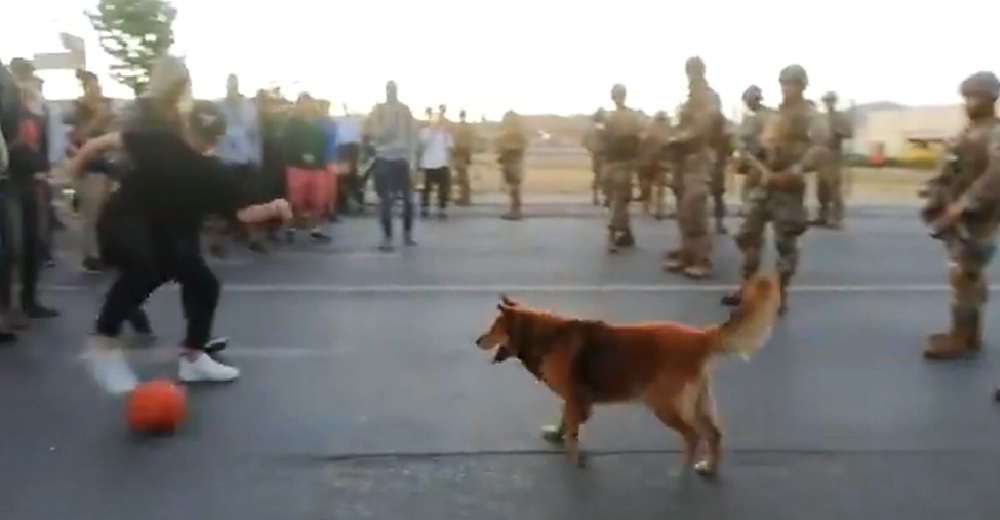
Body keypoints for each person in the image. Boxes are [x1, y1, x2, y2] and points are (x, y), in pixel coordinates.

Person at [64, 101, 292, 394]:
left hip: (164, 231)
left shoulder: (208, 169)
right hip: (125, 219)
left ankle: (194, 356)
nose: (201, 144)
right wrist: (68, 174)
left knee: (201, 281)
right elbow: (98, 144)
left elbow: (241, 214)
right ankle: (103, 340)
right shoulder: (165, 144)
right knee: (145, 269)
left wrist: (273, 206)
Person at [720, 65, 826, 314]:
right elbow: (760, 144)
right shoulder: (774, 116)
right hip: (765, 183)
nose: (786, 88)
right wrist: (749, 156)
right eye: (783, 83)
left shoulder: (811, 115)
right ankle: (746, 287)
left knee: (785, 242)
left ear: (802, 85)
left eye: (791, 83)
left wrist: (796, 171)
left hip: (788, 187)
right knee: (748, 235)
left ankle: (780, 293)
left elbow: (820, 148)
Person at [920, 71, 1000, 361]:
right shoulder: (967, 132)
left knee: (964, 274)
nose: (968, 102)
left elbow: (995, 176)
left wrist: (962, 206)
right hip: (959, 218)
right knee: (964, 273)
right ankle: (969, 334)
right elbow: (951, 169)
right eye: (966, 97)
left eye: (975, 96)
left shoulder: (994, 133)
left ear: (991, 98)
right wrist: (934, 194)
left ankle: (962, 338)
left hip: (979, 218)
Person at [0, 58, 59, 324]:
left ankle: (28, 301)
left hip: (32, 181)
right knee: (12, 248)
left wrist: (45, 170)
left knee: (33, 244)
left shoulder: (35, 107)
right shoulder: (7, 107)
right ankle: (8, 308)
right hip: (10, 181)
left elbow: (42, 142)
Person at [663, 57, 722, 278]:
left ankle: (703, 259)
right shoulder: (690, 98)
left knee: (695, 206)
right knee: (684, 212)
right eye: (689, 70)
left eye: (695, 70)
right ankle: (688, 253)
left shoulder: (707, 97)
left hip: (699, 157)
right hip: (684, 159)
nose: (691, 74)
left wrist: (678, 138)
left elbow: (703, 127)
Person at [67, 70, 116, 272]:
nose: (97, 91)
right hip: (87, 167)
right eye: (93, 88)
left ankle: (104, 251)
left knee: (105, 213)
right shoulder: (77, 111)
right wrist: (97, 119)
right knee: (91, 214)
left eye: (98, 87)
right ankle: (91, 255)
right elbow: (78, 138)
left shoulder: (103, 107)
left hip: (105, 166)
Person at [364, 80, 417, 251]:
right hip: (384, 158)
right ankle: (387, 238)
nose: (391, 92)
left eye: (394, 89)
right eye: (389, 89)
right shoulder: (378, 110)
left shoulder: (405, 110)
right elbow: (375, 134)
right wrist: (387, 124)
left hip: (402, 159)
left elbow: (412, 136)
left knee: (408, 200)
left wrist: (413, 161)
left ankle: (407, 235)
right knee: (386, 200)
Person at [216, 73, 266, 253]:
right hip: (225, 159)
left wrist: (257, 158)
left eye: (234, 86)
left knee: (250, 201)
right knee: (222, 202)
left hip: (245, 159)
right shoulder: (218, 108)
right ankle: (219, 241)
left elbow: (256, 135)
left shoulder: (249, 108)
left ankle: (253, 238)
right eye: (229, 86)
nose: (232, 89)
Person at [282, 93, 334, 243]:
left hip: (316, 166)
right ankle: (290, 228)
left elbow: (323, 142)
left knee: (318, 200)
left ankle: (315, 229)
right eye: (304, 103)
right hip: (297, 166)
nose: (307, 107)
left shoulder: (318, 123)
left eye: (309, 103)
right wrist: (300, 155)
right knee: (295, 200)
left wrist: (318, 159)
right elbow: (286, 144)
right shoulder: (291, 124)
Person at [601, 85, 642, 251]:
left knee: (617, 200)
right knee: (621, 200)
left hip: (614, 161)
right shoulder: (632, 117)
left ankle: (617, 234)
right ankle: (622, 233)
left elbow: (604, 140)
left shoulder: (610, 118)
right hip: (623, 162)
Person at [812, 91, 853, 229]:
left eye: (830, 100)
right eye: (826, 101)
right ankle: (823, 215)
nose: (828, 103)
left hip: (834, 155)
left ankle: (837, 217)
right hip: (821, 155)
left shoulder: (840, 117)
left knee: (834, 187)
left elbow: (849, 133)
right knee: (822, 188)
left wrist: (837, 131)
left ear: (834, 102)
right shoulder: (821, 118)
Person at [418, 111, 454, 219]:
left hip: (442, 164)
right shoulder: (424, 133)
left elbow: (449, 149)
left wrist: (450, 164)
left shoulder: (446, 135)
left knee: (443, 189)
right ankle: (425, 208)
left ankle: (441, 209)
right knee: (425, 188)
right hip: (428, 164)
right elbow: (421, 146)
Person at [495, 109, 528, 221]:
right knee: (513, 187)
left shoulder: (515, 133)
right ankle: (514, 210)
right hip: (511, 162)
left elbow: (516, 147)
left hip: (513, 163)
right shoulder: (514, 133)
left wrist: (505, 152)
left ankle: (516, 211)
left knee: (514, 187)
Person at [451, 109, 477, 206]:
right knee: (461, 177)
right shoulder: (462, 127)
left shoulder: (462, 128)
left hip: (462, 152)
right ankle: (464, 197)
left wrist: (468, 154)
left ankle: (466, 198)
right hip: (460, 152)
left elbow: (469, 142)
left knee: (463, 177)